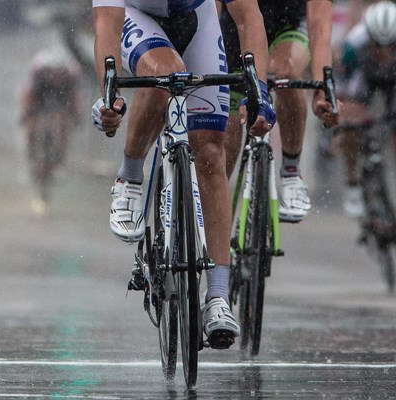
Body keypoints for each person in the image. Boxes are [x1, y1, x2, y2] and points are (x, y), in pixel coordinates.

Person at [90, 0, 276, 349]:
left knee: (209, 149)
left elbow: (249, 16)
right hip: (137, 14)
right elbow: (106, 25)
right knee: (166, 73)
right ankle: (130, 175)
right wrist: (109, 96)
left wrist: (259, 92)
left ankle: (218, 295)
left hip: (197, 16)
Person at [218, 0, 340, 223]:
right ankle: (209, 221)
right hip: (237, 27)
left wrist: (321, 88)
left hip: (289, 24)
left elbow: (319, 25)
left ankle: (291, 171)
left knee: (286, 72)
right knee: (223, 138)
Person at [335, 1, 396, 271]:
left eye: (390, 45)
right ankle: (353, 181)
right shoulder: (354, 46)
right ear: (368, 36)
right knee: (351, 123)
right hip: (363, 80)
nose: (383, 51)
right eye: (377, 44)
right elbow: (341, 96)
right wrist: (347, 118)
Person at [20, 48, 81, 214]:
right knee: (31, 125)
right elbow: (28, 94)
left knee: (63, 123)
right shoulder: (38, 72)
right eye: (52, 74)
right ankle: (31, 158)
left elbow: (75, 99)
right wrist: (26, 115)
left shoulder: (71, 74)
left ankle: (59, 162)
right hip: (39, 98)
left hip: (62, 100)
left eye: (58, 74)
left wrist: (75, 117)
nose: (55, 77)